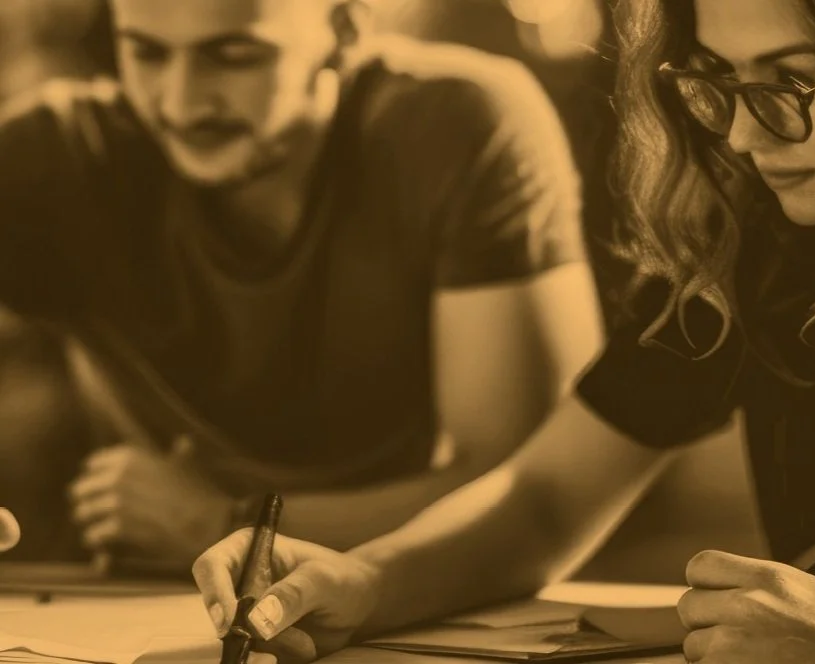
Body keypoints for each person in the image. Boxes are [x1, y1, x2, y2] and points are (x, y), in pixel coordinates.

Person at [192, 0, 815, 661]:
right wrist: (363, 580)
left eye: (791, 82)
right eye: (715, 82)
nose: (741, 133)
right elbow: (546, 497)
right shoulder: (752, 235)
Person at [0, 0, 602, 571]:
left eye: (234, 56)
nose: (181, 103)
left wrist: (224, 524)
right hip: (148, 603)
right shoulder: (57, 154)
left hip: (438, 601)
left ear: (344, 30)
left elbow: (529, 494)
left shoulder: (461, 126)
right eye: (146, 53)